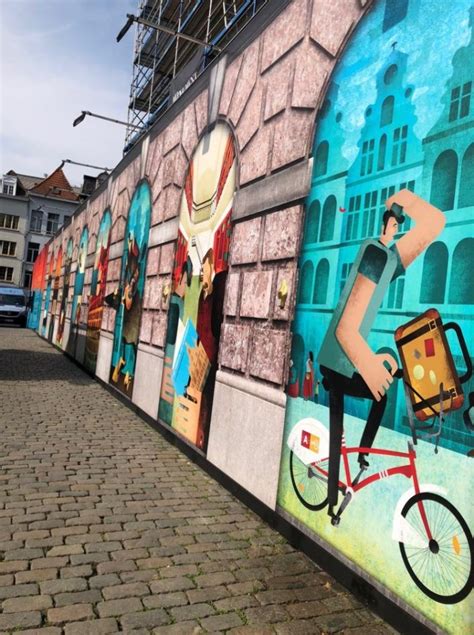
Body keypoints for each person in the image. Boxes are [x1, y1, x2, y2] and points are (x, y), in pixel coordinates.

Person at [317, 189, 445, 520]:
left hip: (348, 357)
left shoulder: (389, 259)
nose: (396, 229)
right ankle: (333, 494)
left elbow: (434, 223)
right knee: (375, 398)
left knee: (380, 397)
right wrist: (370, 364)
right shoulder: (375, 254)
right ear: (384, 226)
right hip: (336, 361)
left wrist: (405, 199)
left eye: (398, 225)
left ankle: (361, 456)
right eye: (393, 224)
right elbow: (345, 329)